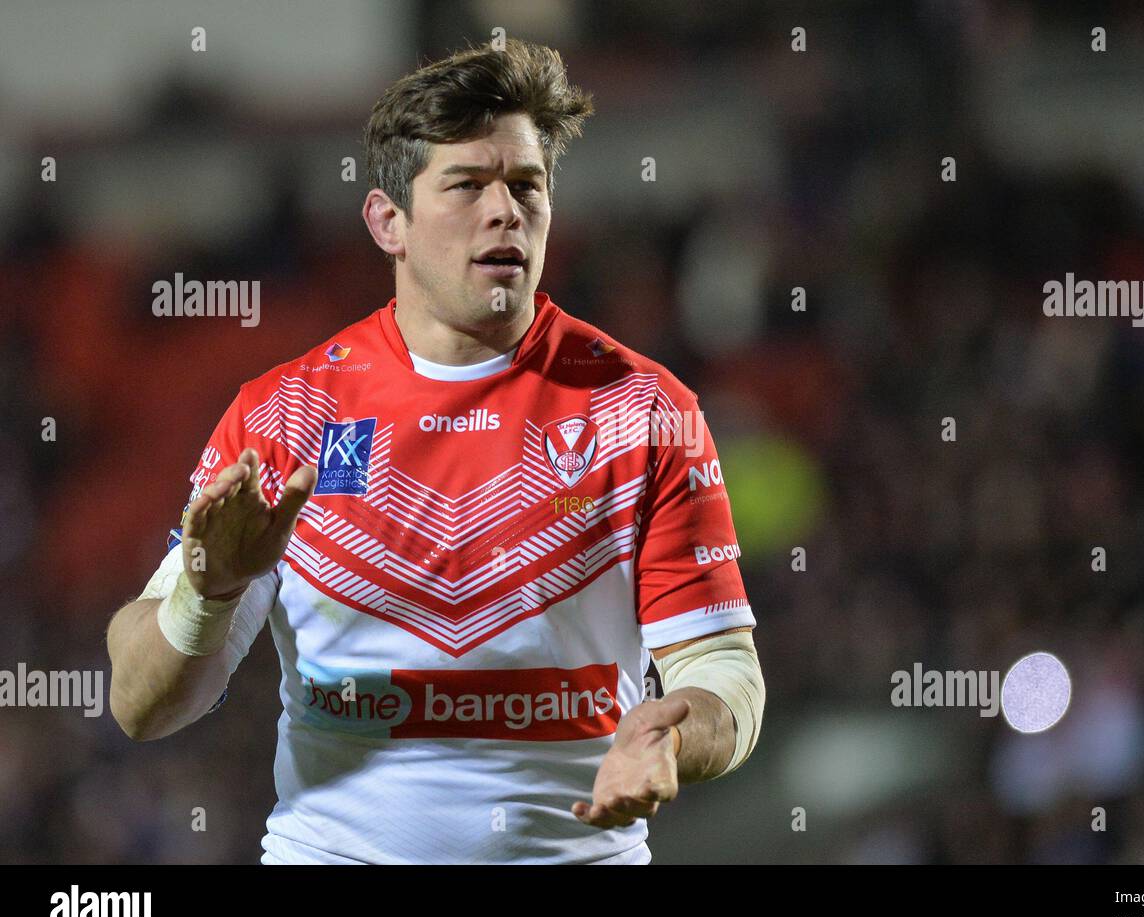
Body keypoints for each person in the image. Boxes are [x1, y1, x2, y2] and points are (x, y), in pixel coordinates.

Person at [106, 37, 765, 864]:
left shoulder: (644, 411)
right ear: (389, 221)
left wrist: (676, 737)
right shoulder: (285, 418)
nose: (505, 211)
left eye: (527, 185)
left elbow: (725, 675)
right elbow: (141, 706)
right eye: (466, 185)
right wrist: (208, 588)